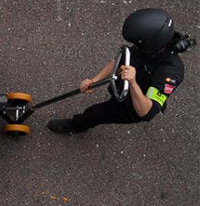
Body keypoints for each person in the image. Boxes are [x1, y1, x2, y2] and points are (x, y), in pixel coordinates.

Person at [48, 8, 188, 134]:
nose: (135, 47)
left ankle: (77, 125)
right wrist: (94, 80)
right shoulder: (147, 47)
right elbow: (118, 63)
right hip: (122, 88)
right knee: (102, 107)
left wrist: (132, 83)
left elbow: (146, 112)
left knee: (95, 113)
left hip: (131, 106)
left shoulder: (170, 72)